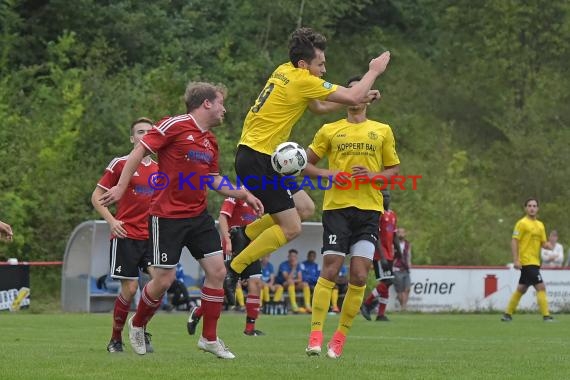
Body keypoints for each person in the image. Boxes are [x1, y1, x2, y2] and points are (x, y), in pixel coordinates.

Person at [99, 82, 264, 359]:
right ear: (207, 103)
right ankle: (137, 323)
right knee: (163, 280)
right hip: (166, 217)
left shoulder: (210, 141)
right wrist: (119, 187)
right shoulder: (173, 125)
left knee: (217, 272)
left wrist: (244, 193)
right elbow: (139, 150)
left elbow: (213, 179)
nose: (225, 109)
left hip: (198, 216)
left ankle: (209, 338)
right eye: (221, 103)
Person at [225, 27, 391, 301]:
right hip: (258, 158)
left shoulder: (285, 70)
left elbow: (319, 107)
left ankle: (245, 233)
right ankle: (235, 267)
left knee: (305, 207)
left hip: (262, 156)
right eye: (321, 64)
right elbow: (348, 97)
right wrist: (373, 71)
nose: (324, 70)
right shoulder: (303, 80)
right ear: (304, 64)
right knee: (292, 228)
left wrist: (361, 96)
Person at [303, 75, 400, 358]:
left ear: (368, 96)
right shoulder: (330, 130)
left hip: (369, 211)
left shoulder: (382, 130)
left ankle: (340, 338)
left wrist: (373, 176)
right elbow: (305, 166)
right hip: (337, 209)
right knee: (331, 269)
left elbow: (393, 170)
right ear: (347, 96)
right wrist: (329, 174)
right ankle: (316, 334)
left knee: (359, 276)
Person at [91, 117, 158, 353]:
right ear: (132, 138)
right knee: (129, 290)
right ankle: (116, 338)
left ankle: (138, 327)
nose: (144, 135)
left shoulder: (161, 169)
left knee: (160, 283)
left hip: (152, 238)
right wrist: (111, 221)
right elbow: (96, 197)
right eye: (140, 132)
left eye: (149, 132)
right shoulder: (120, 164)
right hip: (126, 235)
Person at [187, 196, 266, 337]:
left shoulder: (258, 199)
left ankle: (250, 328)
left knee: (256, 283)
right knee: (222, 290)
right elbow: (223, 217)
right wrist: (228, 242)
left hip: (251, 249)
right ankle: (198, 312)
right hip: (234, 248)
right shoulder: (236, 195)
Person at [501, 198, 555, 322]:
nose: (532, 208)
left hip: (535, 262)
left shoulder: (540, 225)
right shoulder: (522, 223)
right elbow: (514, 241)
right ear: (525, 208)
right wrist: (516, 260)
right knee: (541, 287)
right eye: (529, 206)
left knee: (522, 288)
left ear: (538, 208)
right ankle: (546, 316)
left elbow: (543, 243)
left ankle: (507, 314)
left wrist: (549, 245)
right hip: (526, 261)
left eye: (534, 206)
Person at [360, 190, 402, 321]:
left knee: (386, 283)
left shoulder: (393, 214)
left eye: (388, 196)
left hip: (390, 253)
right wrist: (382, 257)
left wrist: (399, 251)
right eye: (383, 196)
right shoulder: (378, 214)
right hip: (380, 255)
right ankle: (367, 304)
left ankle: (381, 314)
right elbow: (376, 236)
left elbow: (394, 235)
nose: (386, 198)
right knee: (388, 281)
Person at [275, 249, 311, 313]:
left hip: (294, 284)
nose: (293, 258)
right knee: (290, 282)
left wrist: (294, 281)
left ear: (296, 257)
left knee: (305, 284)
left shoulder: (298, 265)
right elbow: (287, 278)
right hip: (283, 284)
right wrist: (293, 268)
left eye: (294, 256)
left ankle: (307, 305)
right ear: (288, 256)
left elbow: (300, 279)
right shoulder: (283, 265)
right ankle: (294, 305)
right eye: (291, 256)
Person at [393, 227, 412, 311]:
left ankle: (404, 307)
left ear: (405, 234)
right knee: (400, 291)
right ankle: (403, 307)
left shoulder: (408, 244)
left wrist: (409, 264)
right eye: (399, 232)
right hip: (397, 269)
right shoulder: (393, 244)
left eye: (402, 232)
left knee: (407, 288)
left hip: (405, 269)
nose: (401, 234)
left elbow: (408, 255)